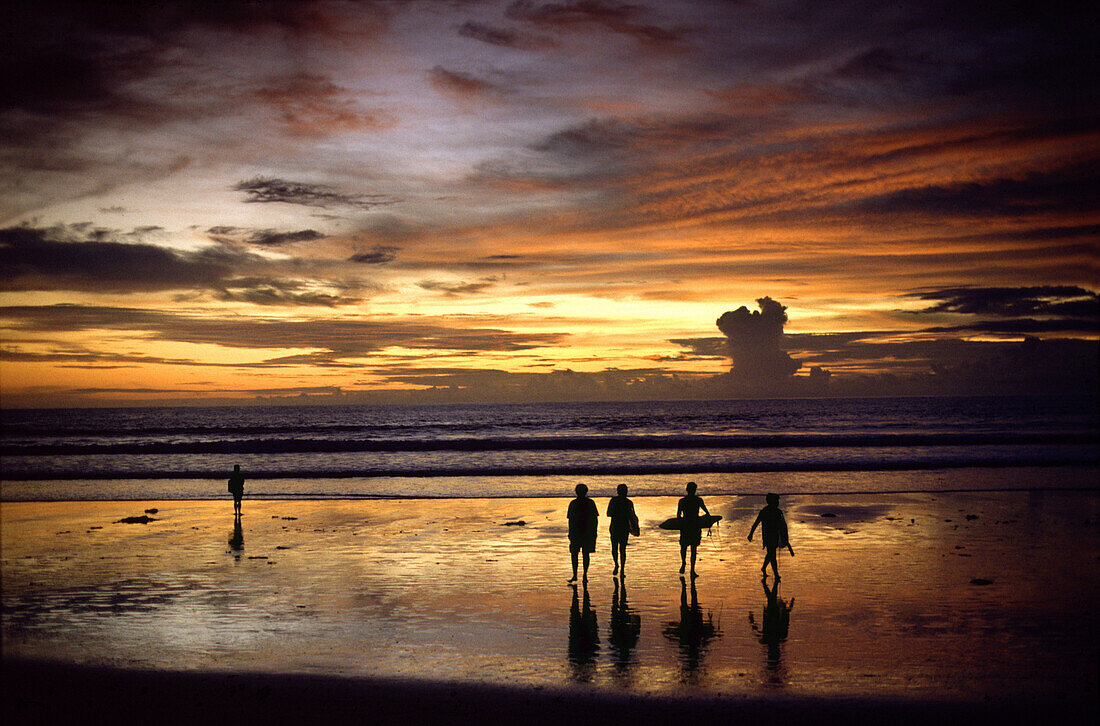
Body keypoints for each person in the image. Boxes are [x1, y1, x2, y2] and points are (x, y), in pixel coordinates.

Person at [748, 493, 794, 579]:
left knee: (770, 554)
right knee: (772, 555)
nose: (778, 503)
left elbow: (783, 527)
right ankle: (776, 574)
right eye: (776, 501)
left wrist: (787, 544)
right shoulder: (764, 512)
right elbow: (756, 523)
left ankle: (764, 567)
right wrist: (750, 534)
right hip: (767, 536)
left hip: (775, 536)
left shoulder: (778, 512)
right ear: (771, 502)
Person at [677, 481, 710, 577]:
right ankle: (692, 570)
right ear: (695, 490)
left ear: (687, 490)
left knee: (683, 547)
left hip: (685, 525)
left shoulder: (682, 501)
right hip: (695, 525)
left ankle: (683, 563)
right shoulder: (699, 500)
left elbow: (678, 515)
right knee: (693, 549)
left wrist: (680, 525)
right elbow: (707, 513)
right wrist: (704, 520)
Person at [606, 484, 639, 578]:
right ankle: (621, 568)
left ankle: (617, 565)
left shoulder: (614, 501)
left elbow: (608, 514)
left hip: (615, 526)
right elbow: (633, 516)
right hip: (623, 527)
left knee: (615, 548)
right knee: (622, 549)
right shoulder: (628, 502)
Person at [567, 483, 598, 582]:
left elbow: (570, 520)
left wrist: (570, 532)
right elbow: (595, 519)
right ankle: (584, 574)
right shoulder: (590, 502)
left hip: (577, 531)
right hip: (587, 531)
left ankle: (576, 574)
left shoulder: (573, 503)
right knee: (585, 554)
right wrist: (594, 532)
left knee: (575, 554)